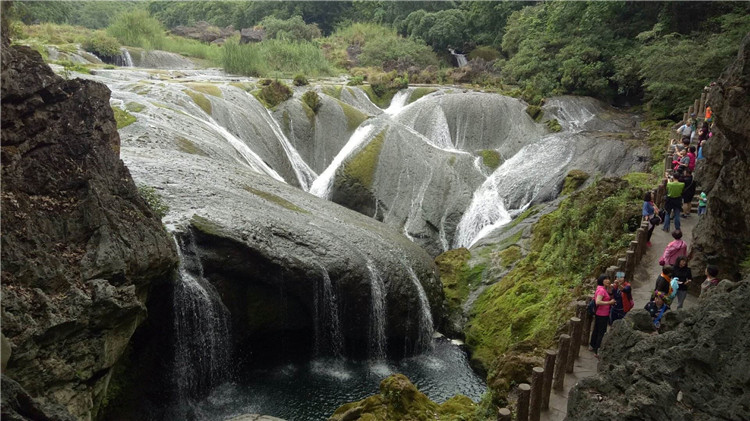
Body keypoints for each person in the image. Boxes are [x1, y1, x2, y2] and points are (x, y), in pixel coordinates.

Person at [590, 274, 616, 356]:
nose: (608, 280)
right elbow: (598, 301)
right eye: (605, 279)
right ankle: (597, 350)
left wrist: (610, 289)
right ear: (601, 280)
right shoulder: (601, 290)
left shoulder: (601, 288)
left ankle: (592, 345)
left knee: (596, 330)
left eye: (608, 278)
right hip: (602, 314)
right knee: (601, 332)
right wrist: (609, 302)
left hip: (599, 313)